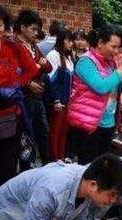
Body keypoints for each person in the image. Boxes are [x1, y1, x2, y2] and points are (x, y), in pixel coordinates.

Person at [0, 2, 39, 197]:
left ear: (6, 26)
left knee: (5, 171)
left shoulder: (14, 48)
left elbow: (32, 69)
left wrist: (16, 85)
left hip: (9, 119)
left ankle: (1, 212)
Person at [67, 25, 122, 165]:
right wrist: (120, 70)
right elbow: (101, 87)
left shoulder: (112, 63)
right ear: (100, 43)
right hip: (88, 124)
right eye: (113, 46)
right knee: (88, 168)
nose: (116, 51)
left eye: (118, 48)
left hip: (108, 123)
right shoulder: (86, 62)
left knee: (102, 168)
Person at [14, 9, 53, 168]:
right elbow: (15, 72)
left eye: (37, 30)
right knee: (26, 136)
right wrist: (30, 81)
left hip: (38, 97)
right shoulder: (15, 46)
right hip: (23, 98)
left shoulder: (34, 46)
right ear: (23, 27)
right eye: (33, 29)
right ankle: (25, 168)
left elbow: (48, 67)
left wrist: (39, 66)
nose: (36, 33)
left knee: (43, 132)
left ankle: (47, 165)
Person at [46, 28, 74, 161]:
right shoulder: (53, 55)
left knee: (63, 132)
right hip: (57, 101)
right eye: (69, 41)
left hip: (67, 101)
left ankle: (61, 158)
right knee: (55, 132)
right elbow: (50, 80)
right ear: (62, 40)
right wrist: (56, 99)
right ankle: (54, 159)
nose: (71, 44)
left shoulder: (68, 58)